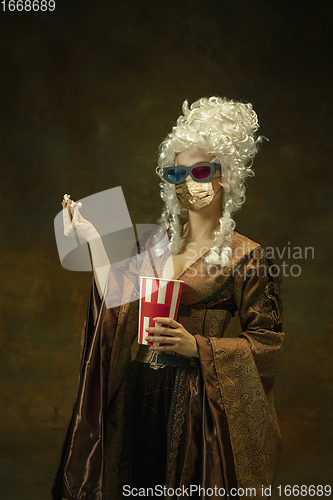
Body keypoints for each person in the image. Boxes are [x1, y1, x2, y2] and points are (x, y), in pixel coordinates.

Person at [52, 96, 284, 500]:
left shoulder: (247, 255)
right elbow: (118, 301)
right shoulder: (155, 245)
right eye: (177, 172)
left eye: (200, 171)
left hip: (196, 406)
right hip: (141, 392)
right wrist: (92, 239)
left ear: (225, 176)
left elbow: (267, 344)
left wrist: (197, 346)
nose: (187, 182)